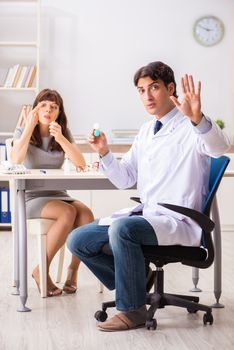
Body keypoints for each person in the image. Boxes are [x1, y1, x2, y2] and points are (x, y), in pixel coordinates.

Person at [67, 61, 230, 331]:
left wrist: (198, 119)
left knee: (122, 229)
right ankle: (140, 280)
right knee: (78, 239)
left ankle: (133, 311)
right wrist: (104, 152)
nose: (147, 96)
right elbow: (126, 179)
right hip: (151, 217)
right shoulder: (146, 131)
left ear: (170, 88)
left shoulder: (192, 125)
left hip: (179, 221)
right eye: (141, 90)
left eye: (153, 88)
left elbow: (220, 147)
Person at [11, 89, 94, 297]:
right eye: (44, 105)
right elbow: (16, 159)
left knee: (87, 216)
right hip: (32, 197)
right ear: (36, 108)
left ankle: (72, 272)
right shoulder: (23, 131)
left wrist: (62, 139)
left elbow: (81, 164)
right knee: (67, 213)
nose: (48, 110)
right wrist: (29, 126)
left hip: (59, 194)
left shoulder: (62, 133)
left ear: (59, 112)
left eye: (54, 107)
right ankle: (41, 270)